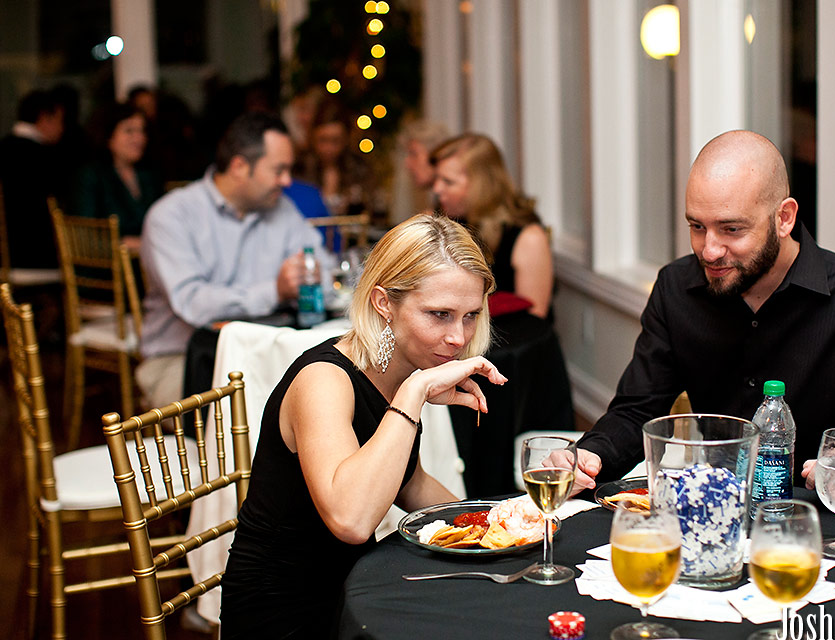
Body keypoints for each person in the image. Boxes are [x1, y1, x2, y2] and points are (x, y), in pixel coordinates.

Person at [573, 130, 835, 507]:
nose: (709, 250)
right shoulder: (676, 289)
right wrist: (590, 457)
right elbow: (636, 411)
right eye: (697, 226)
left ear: (784, 218)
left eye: (731, 229)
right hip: (712, 514)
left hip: (823, 523)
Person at [219, 213, 506, 639]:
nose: (459, 337)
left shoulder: (396, 370)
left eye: (470, 316)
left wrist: (499, 524)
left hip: (354, 587)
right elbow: (351, 520)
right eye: (440, 314)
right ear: (383, 302)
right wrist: (414, 394)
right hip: (285, 609)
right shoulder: (324, 379)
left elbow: (410, 482)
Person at [136, 111, 330, 410]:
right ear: (239, 166)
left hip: (266, 351)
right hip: (182, 359)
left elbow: (323, 270)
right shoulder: (172, 215)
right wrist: (275, 291)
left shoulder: (282, 210)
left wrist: (313, 278)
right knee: (264, 407)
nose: (287, 181)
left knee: (327, 391)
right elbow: (193, 303)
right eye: (278, 170)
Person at [430, 133, 553, 319]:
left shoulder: (528, 237)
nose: (437, 189)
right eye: (437, 179)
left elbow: (532, 324)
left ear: (481, 186)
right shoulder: (448, 222)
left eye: (448, 181)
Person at [72, 101, 163, 246]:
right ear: (109, 136)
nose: (139, 138)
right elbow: (85, 233)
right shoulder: (92, 176)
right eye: (129, 131)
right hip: (104, 259)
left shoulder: (148, 175)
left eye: (142, 131)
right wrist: (126, 245)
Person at [0, 89, 65, 269]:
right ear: (44, 118)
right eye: (60, 121)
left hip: (5, 258)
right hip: (37, 256)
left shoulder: (3, 147)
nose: (62, 129)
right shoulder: (46, 157)